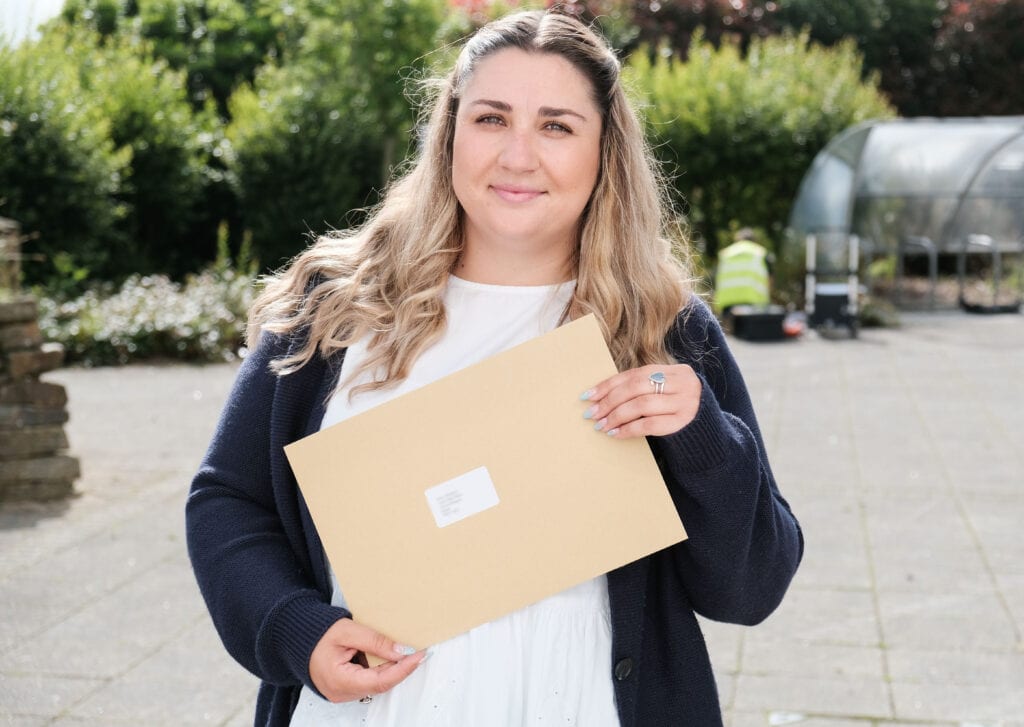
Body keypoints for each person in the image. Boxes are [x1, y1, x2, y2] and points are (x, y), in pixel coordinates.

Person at [186, 9, 803, 727]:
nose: (517, 155)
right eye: (491, 119)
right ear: (450, 132)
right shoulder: (337, 307)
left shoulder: (665, 328)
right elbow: (227, 501)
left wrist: (703, 439)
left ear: (605, 151)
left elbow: (752, 586)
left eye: (556, 126)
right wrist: (295, 628)